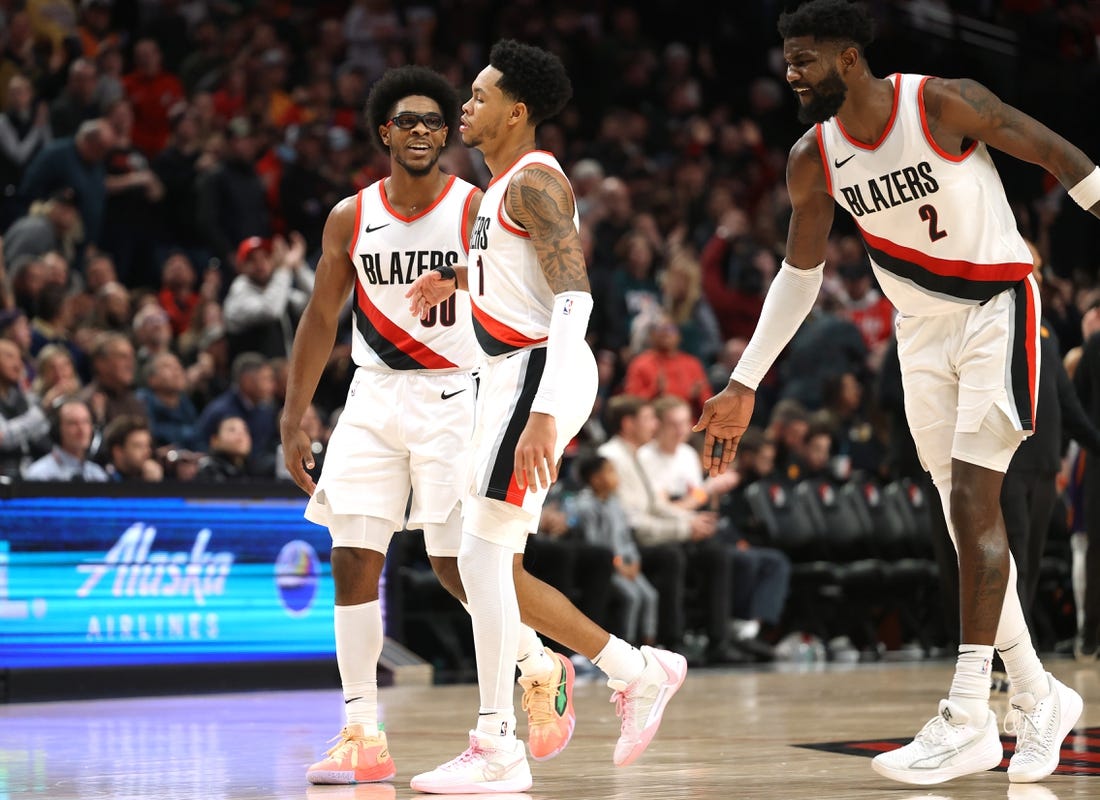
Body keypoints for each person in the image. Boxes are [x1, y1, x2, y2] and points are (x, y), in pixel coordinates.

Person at [694, 0, 1096, 787]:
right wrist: (744, 381)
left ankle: (971, 712)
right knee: (959, 519)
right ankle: (1040, 697)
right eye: (788, 57)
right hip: (918, 332)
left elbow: (1057, 154)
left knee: (978, 505)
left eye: (804, 58)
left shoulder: (941, 102)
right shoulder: (813, 157)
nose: (790, 71)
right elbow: (798, 276)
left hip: (997, 309)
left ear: (848, 59)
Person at [280, 65, 573, 788]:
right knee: (352, 555)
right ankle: (360, 731)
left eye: (435, 122)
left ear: (448, 135)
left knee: (456, 564)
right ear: (384, 132)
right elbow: (321, 317)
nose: (422, 131)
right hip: (373, 395)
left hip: (459, 394)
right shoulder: (351, 215)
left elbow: (537, 291)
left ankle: (537, 665)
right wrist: (293, 415)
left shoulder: (479, 205)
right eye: (407, 121)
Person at [405, 42, 685, 794]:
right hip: (502, 375)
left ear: (516, 111)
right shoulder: (498, 191)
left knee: (484, 557)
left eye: (478, 95)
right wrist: (455, 277)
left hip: (536, 372)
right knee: (480, 562)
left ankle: (498, 745)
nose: (465, 106)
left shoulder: (534, 184)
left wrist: (548, 408)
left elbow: (574, 297)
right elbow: (516, 272)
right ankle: (636, 669)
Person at [572, 453, 659, 646]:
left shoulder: (615, 503)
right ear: (595, 479)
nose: (616, 476)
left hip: (627, 565)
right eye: (610, 472)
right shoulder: (585, 506)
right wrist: (618, 564)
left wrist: (634, 561)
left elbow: (626, 538)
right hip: (607, 568)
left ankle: (649, 643)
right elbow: (594, 545)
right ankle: (627, 645)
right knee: (632, 597)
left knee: (650, 595)